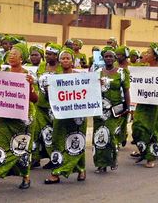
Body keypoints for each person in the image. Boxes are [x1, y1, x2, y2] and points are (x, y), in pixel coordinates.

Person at [0, 43, 38, 191]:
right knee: (0, 145)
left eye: (15, 54)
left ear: (22, 58)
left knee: (21, 148)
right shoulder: (3, 72)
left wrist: (29, 86)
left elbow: (35, 99)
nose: (11, 56)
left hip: (23, 118)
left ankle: (26, 177)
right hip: (4, 117)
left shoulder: (28, 75)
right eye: (10, 53)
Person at [44, 48, 87, 184]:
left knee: (76, 140)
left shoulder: (81, 77)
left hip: (77, 116)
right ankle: (59, 170)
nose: (65, 60)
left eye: (68, 58)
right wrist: (47, 89)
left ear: (73, 61)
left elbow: (89, 93)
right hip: (61, 115)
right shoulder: (54, 78)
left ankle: (79, 169)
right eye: (63, 58)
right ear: (59, 61)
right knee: (58, 141)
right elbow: (49, 97)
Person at [131, 43, 158, 168]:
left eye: (148, 52)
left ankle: (150, 158)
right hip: (142, 103)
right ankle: (143, 151)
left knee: (153, 130)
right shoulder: (142, 68)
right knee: (137, 127)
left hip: (156, 105)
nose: (145, 54)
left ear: (155, 57)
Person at [93, 46, 130, 173]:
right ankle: (100, 163)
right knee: (99, 135)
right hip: (99, 109)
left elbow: (126, 90)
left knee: (111, 135)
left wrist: (128, 107)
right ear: (103, 58)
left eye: (111, 56)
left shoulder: (122, 72)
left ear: (115, 58)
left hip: (115, 109)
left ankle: (112, 159)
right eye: (106, 56)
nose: (108, 58)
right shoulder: (97, 71)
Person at [33, 43, 63, 168]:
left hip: (55, 107)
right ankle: (35, 158)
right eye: (47, 54)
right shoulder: (41, 66)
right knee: (37, 132)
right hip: (41, 105)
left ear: (57, 56)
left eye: (51, 54)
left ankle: (54, 159)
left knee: (52, 133)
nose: (48, 56)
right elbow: (36, 81)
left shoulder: (61, 69)